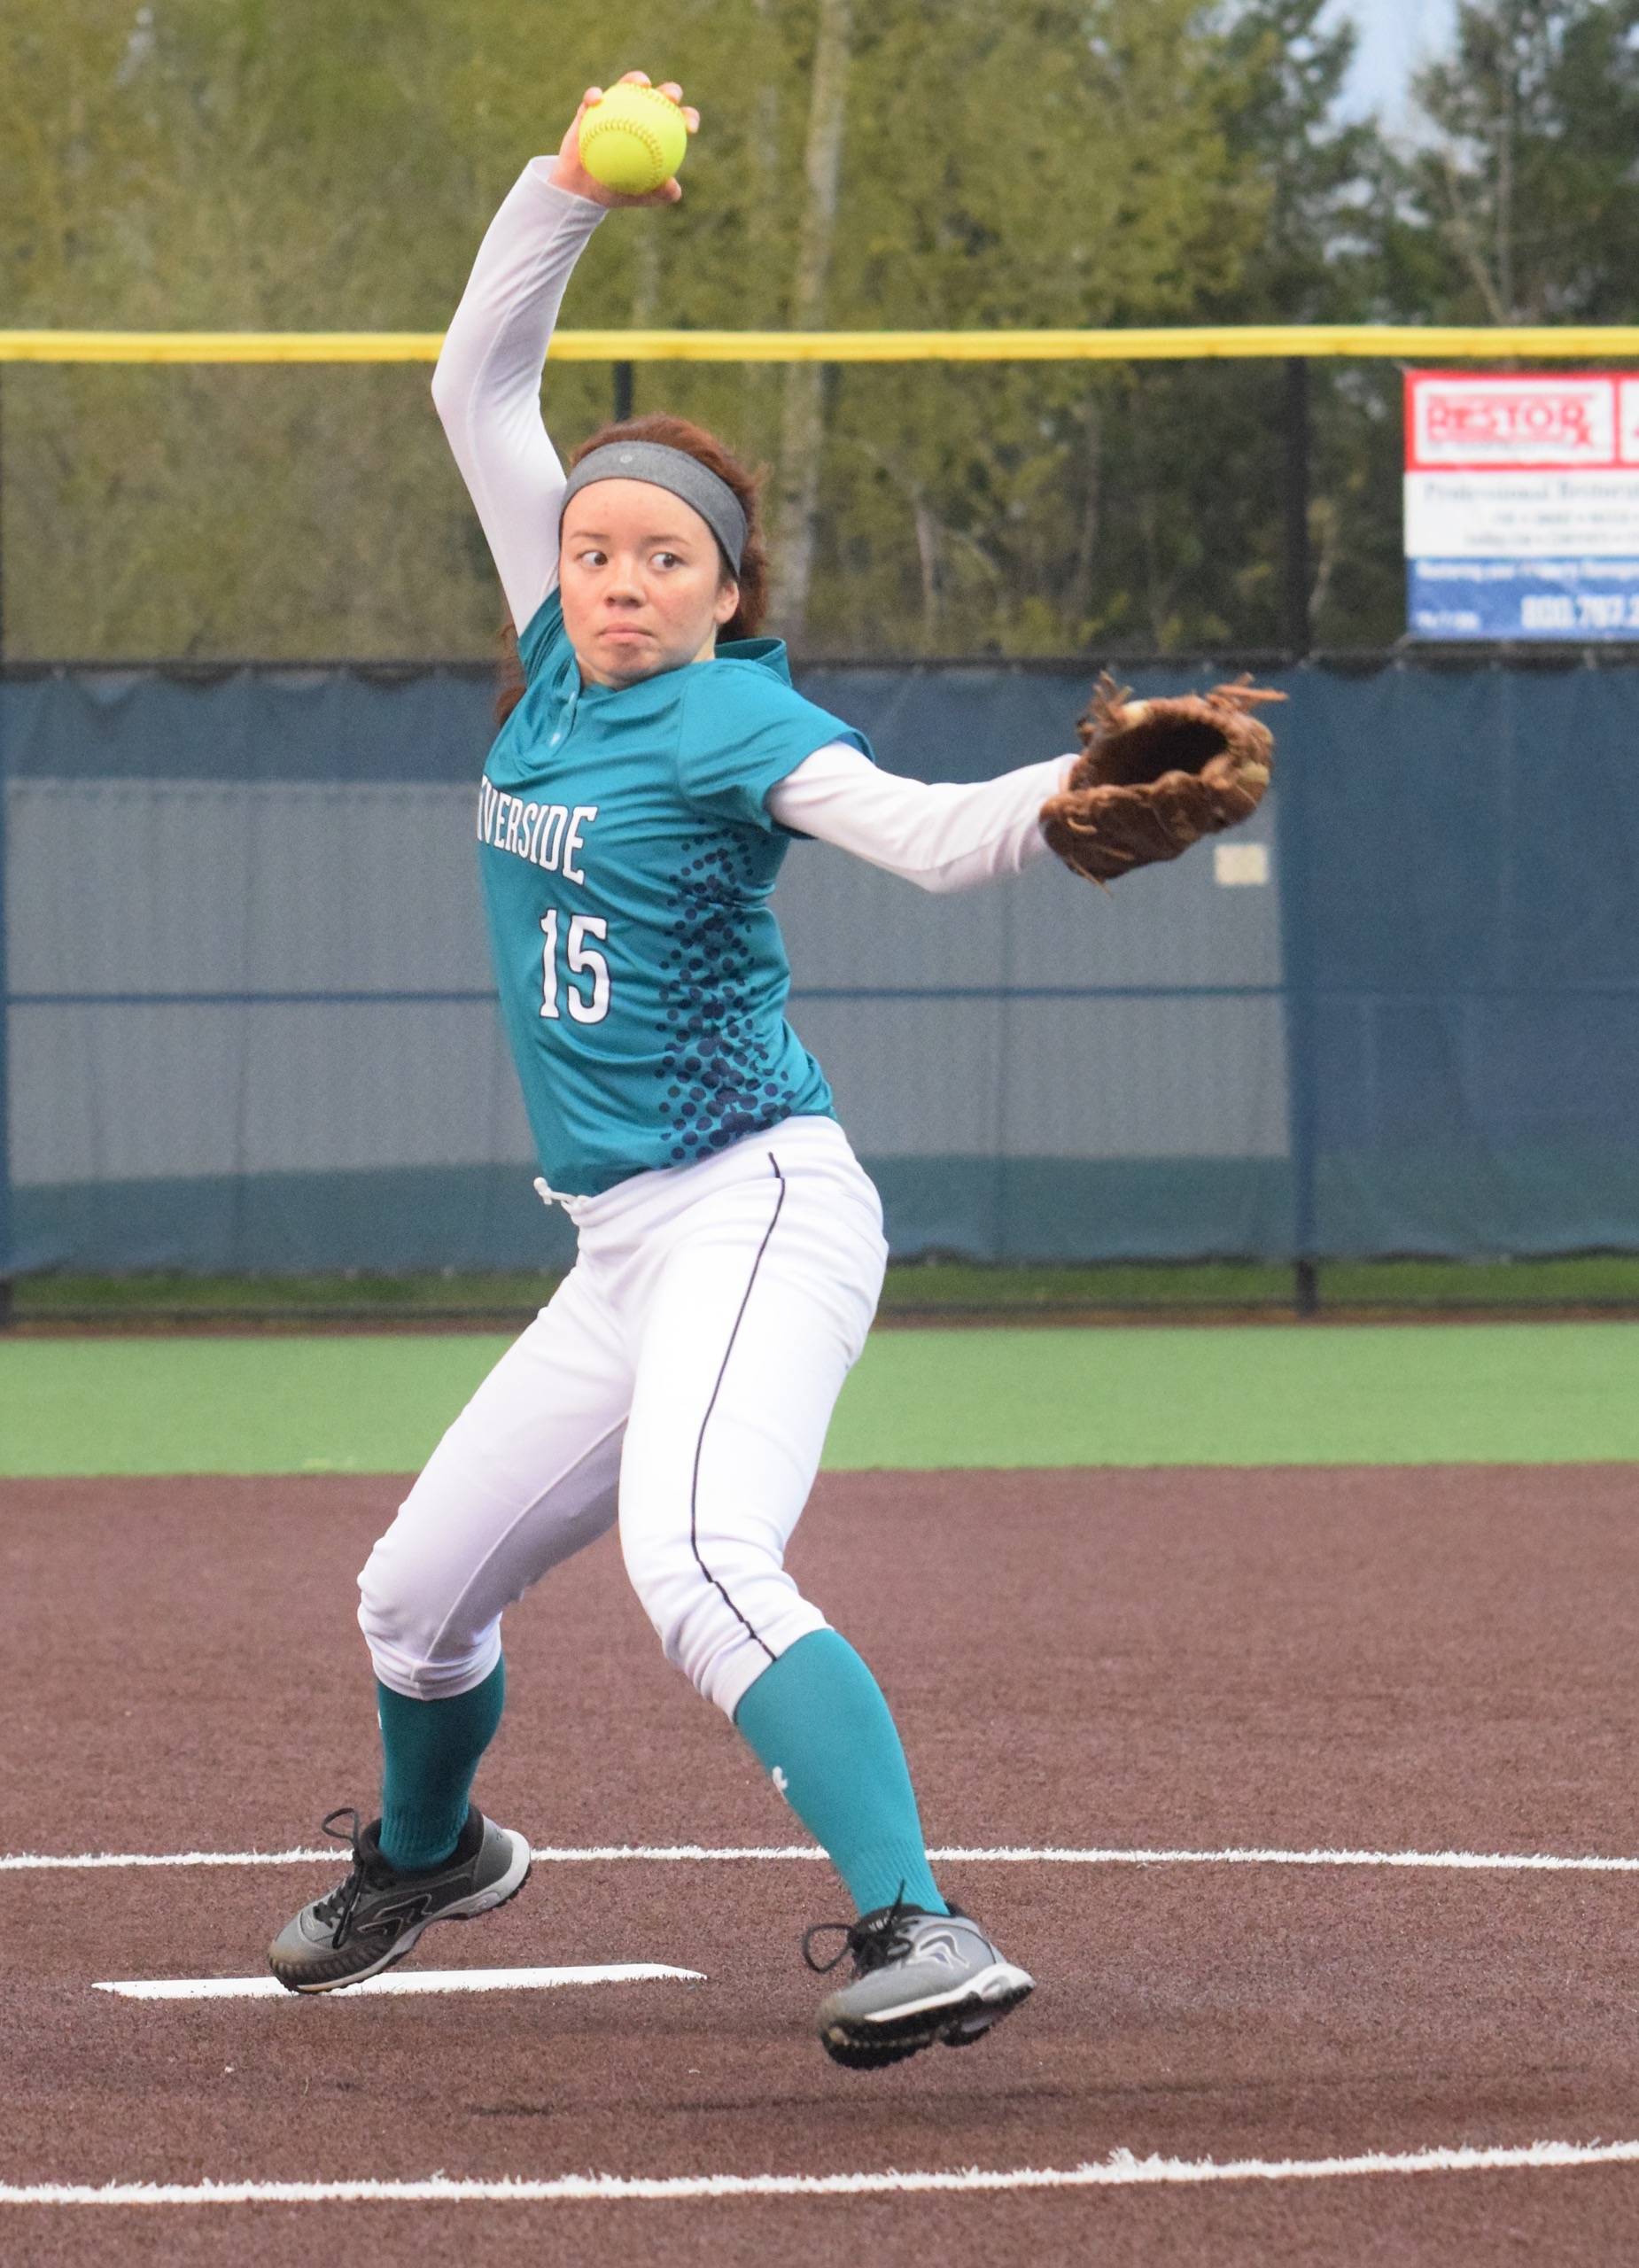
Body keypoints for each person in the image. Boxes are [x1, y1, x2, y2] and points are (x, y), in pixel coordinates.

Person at [268, 72, 1073, 2070]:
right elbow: (476, 385)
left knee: (700, 1552)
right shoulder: (552, 658)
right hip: (621, 1245)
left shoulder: (735, 723)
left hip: (759, 1204)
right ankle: (432, 1853)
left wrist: (1080, 791)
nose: (618, 577)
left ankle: (921, 1915)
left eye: (662, 560)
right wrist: (563, 186)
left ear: (726, 592)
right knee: (410, 1599)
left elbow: (935, 832)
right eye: (598, 548)